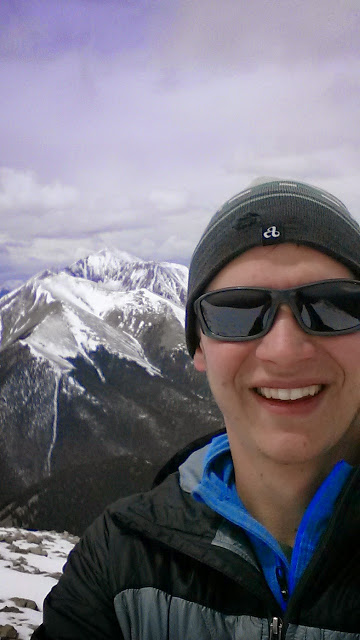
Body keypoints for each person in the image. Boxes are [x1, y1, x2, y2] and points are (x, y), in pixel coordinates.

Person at [32, 179, 360, 639]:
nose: (285, 350)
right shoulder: (117, 562)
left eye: (334, 305)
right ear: (198, 347)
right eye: (236, 312)